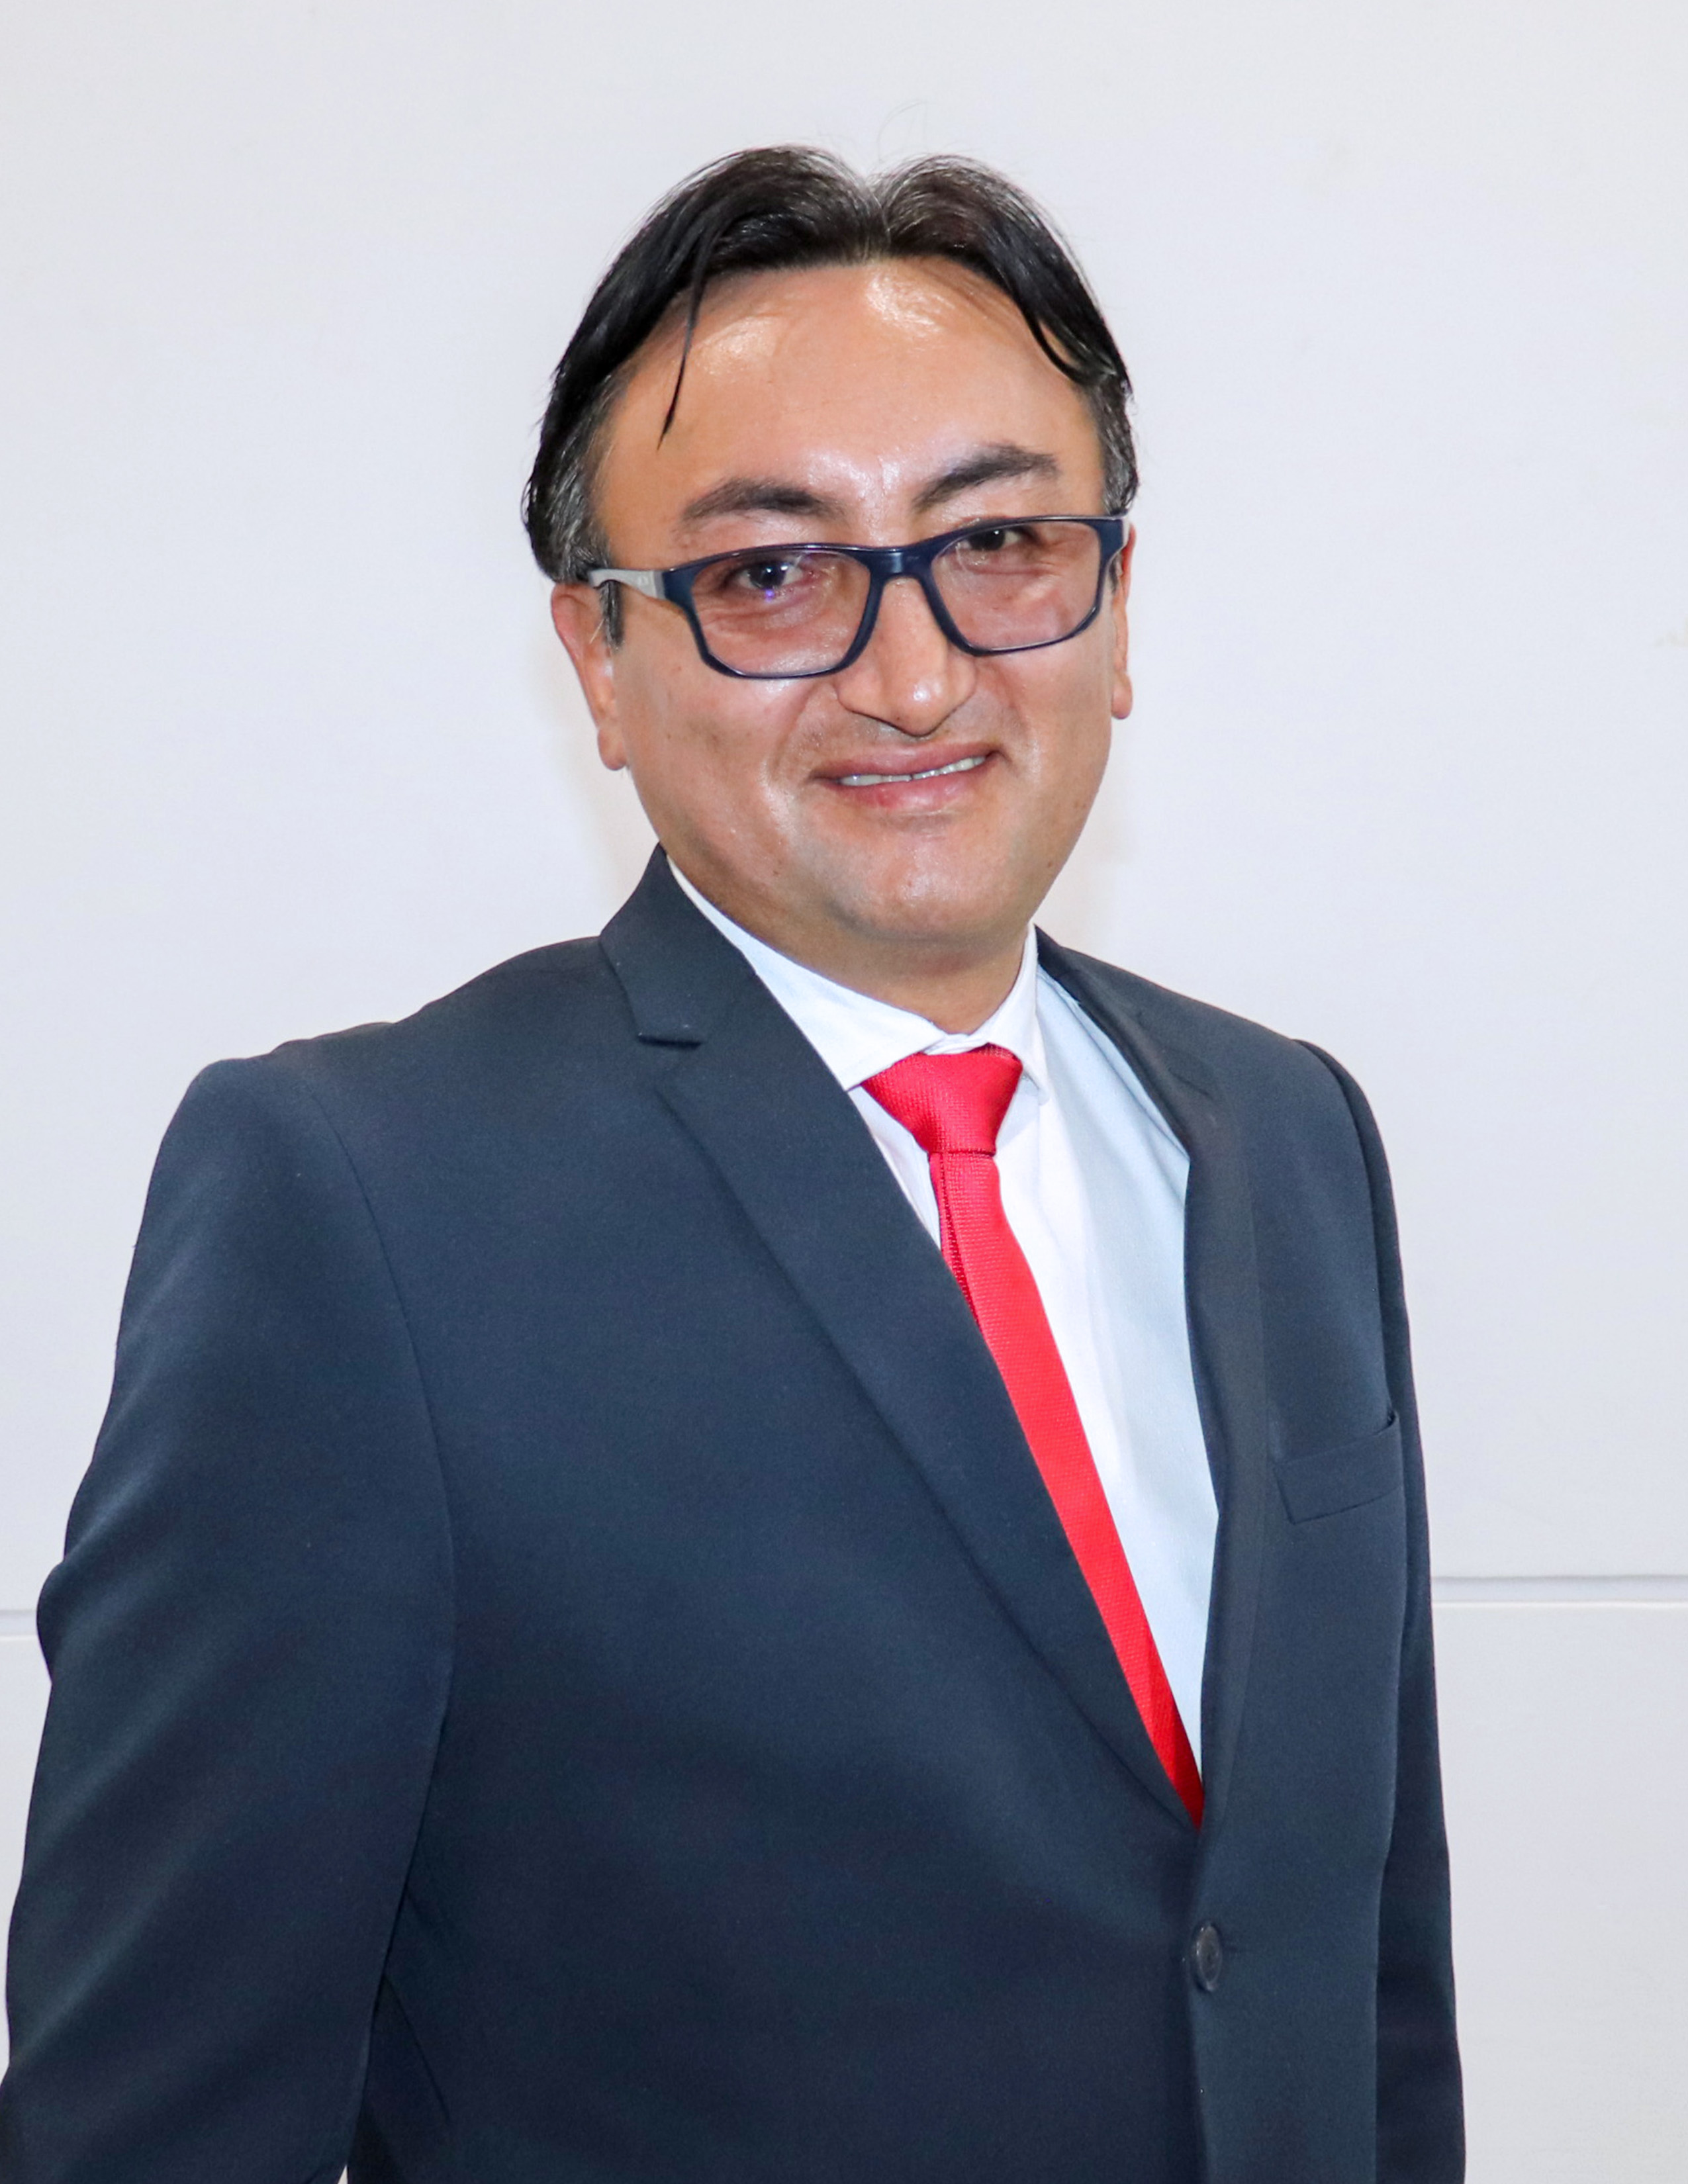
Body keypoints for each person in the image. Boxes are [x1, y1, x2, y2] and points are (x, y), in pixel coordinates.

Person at [0, 148, 1462, 2183]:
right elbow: (148, 2128)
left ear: (1118, 602)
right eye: (773, 575)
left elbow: (1364, 1985)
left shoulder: (1288, 1138)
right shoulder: (359, 1209)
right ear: (599, 661)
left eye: (1000, 541)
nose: (915, 674)